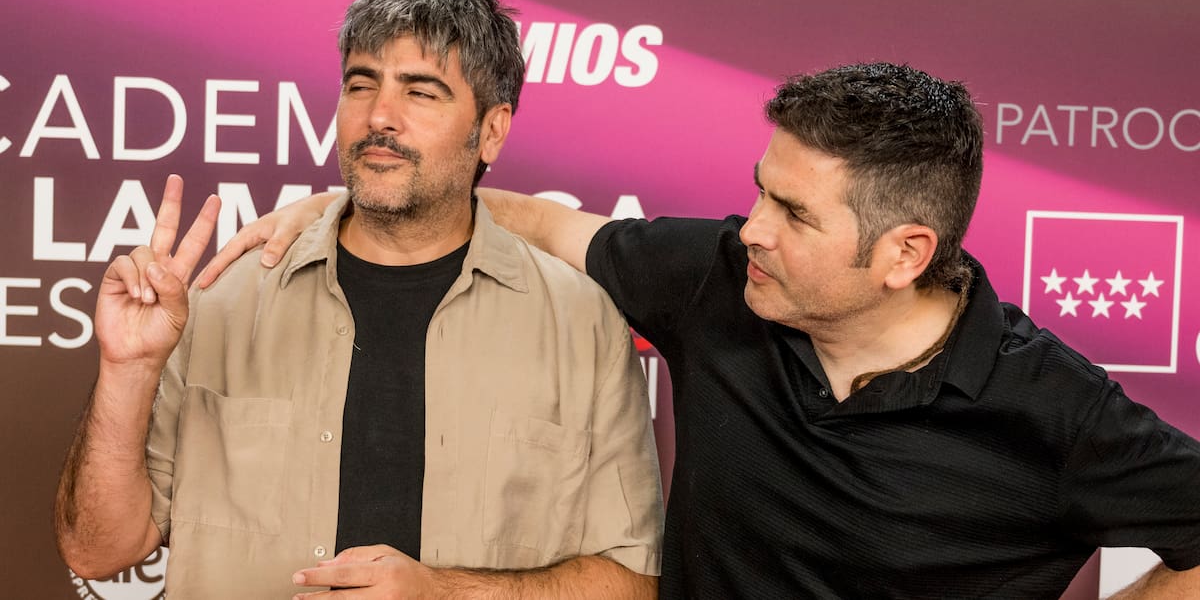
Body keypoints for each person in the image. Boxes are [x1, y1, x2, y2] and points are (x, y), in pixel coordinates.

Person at [210, 61, 1200, 598]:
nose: (753, 230)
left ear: (905, 253)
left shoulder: (1052, 407)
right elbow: (547, 223)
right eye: (761, 191)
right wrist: (352, 205)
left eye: (795, 214)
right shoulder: (719, 278)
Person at [54, 0, 663, 599]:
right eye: (360, 84)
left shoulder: (580, 322)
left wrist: (442, 593)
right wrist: (127, 369)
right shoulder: (222, 299)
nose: (379, 116)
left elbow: (633, 581)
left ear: (492, 130)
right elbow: (98, 551)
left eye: (420, 92)